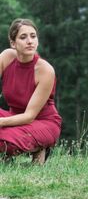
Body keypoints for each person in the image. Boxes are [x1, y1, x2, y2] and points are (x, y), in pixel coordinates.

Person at [0, 18, 62, 164]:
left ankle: (40, 147)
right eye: (23, 37)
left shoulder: (45, 70)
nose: (30, 41)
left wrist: (1, 122)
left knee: (6, 142)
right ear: (13, 43)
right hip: (13, 117)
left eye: (33, 36)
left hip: (42, 122)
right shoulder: (6, 57)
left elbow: (29, 116)